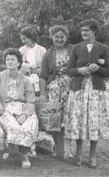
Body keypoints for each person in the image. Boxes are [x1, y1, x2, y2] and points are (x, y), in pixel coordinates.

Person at [65, 19, 109, 168]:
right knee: (79, 122)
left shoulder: (103, 49)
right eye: (82, 30)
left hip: (95, 92)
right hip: (79, 90)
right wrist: (79, 70)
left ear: (94, 32)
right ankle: (78, 154)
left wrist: (98, 69)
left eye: (87, 30)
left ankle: (92, 156)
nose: (84, 33)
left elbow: (108, 72)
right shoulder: (76, 48)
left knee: (93, 122)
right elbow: (69, 70)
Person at [0, 48, 39, 168]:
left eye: (13, 59)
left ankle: (24, 154)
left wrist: (25, 114)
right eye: (7, 59)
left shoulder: (25, 80)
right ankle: (12, 149)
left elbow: (31, 100)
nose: (10, 62)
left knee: (30, 124)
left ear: (18, 62)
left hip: (23, 108)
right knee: (13, 125)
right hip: (6, 108)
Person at [39, 25, 73, 156]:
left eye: (62, 37)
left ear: (66, 37)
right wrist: (42, 94)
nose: (59, 39)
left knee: (69, 117)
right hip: (54, 89)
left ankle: (67, 149)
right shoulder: (48, 53)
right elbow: (43, 75)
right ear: (52, 37)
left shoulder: (73, 50)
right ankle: (54, 148)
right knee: (55, 117)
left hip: (70, 88)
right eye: (56, 37)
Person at [19, 27, 47, 92]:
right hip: (25, 76)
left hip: (39, 77)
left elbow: (46, 67)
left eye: (24, 38)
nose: (23, 41)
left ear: (31, 37)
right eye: (22, 39)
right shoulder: (21, 50)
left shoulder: (42, 50)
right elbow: (19, 65)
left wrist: (37, 71)